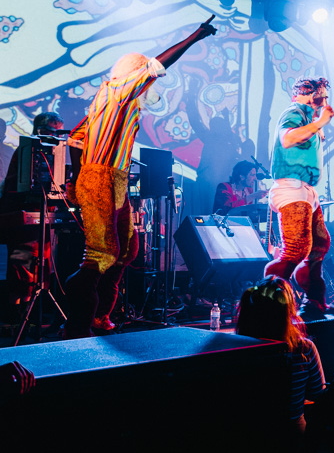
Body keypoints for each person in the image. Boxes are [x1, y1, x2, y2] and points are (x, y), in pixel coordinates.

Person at [62, 18, 217, 337]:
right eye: (145, 80)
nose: (149, 89)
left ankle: (97, 315)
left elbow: (76, 137)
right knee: (101, 253)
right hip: (101, 177)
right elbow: (158, 65)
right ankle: (78, 320)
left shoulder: (115, 103)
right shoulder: (118, 89)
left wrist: (76, 177)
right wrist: (196, 36)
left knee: (128, 250)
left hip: (112, 178)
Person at [264, 76, 334, 320]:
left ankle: (314, 301)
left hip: (306, 190)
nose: (324, 100)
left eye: (326, 96)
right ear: (306, 93)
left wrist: (317, 125)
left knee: (318, 245)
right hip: (291, 188)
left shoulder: (308, 118)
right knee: (296, 249)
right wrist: (320, 123)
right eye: (321, 95)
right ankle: (265, 301)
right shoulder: (294, 111)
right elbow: (287, 138)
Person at [234, 276, 325, 434]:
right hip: (292, 436)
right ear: (288, 310)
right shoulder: (304, 349)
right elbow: (319, 395)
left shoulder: (237, 350)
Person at [0, 112, 64, 311]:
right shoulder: (27, 152)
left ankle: (30, 312)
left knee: (39, 267)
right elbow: (19, 188)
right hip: (23, 222)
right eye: (51, 132)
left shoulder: (51, 154)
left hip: (38, 221)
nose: (55, 137)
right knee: (22, 263)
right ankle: (18, 314)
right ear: (39, 130)